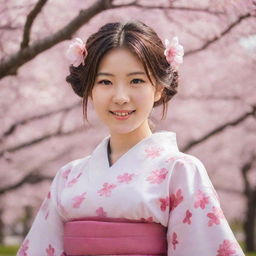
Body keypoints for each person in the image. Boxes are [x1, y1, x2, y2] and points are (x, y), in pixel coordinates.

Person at [16, 20, 245, 256]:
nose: (121, 97)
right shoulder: (68, 176)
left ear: (158, 88)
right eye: (105, 82)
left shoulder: (180, 172)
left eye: (136, 80)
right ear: (89, 89)